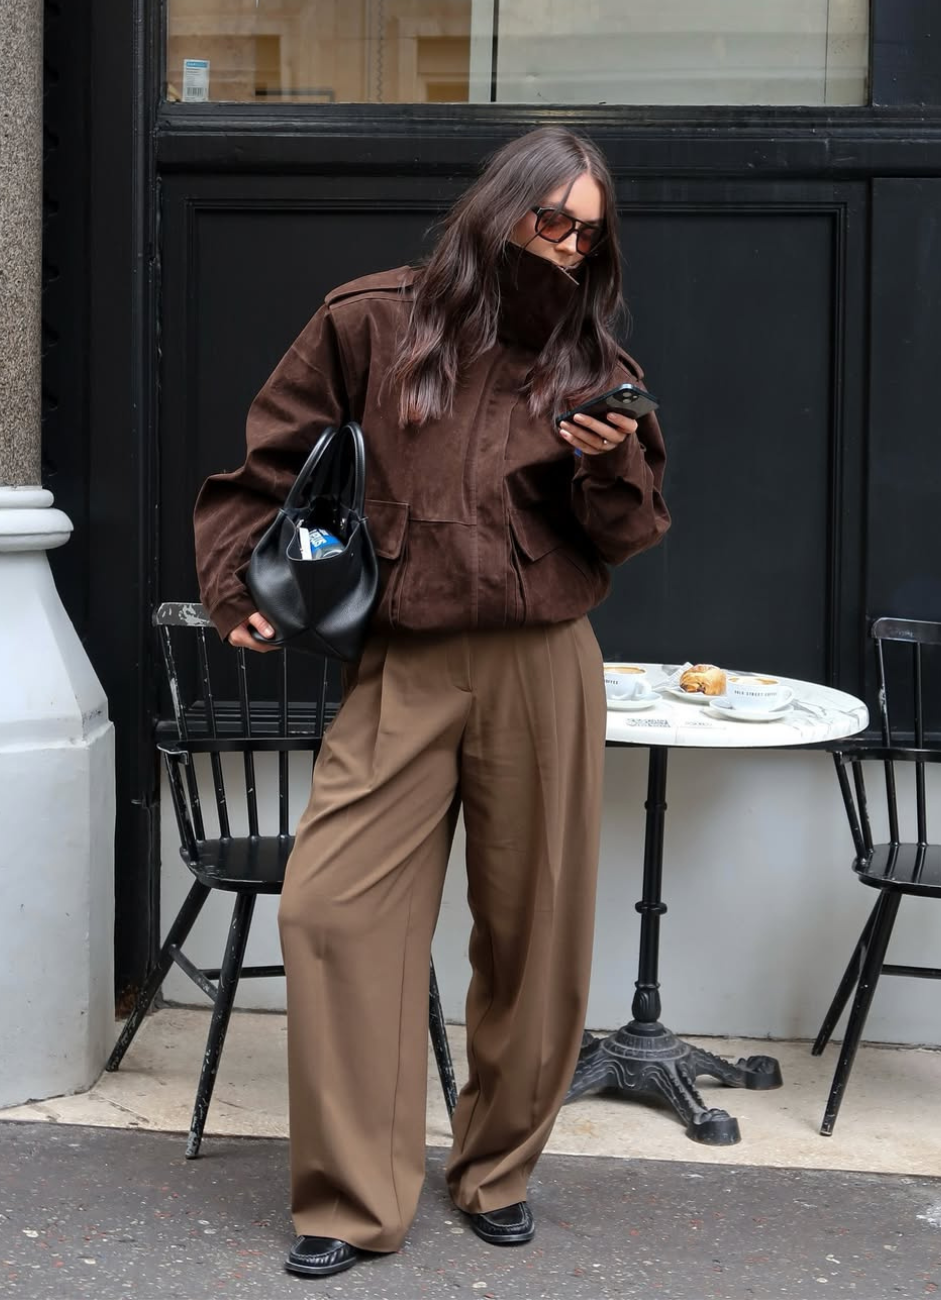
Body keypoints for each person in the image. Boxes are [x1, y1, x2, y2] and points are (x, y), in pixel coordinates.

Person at [193, 125, 670, 1277]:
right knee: (331, 911)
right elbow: (265, 469)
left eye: (585, 232)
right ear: (498, 202)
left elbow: (632, 529)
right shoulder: (369, 320)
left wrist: (610, 460)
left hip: (541, 657)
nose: (562, 246)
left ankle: (495, 1169)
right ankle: (353, 1198)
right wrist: (231, 585)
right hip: (401, 662)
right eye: (548, 218)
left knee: (535, 933)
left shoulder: (589, 353)